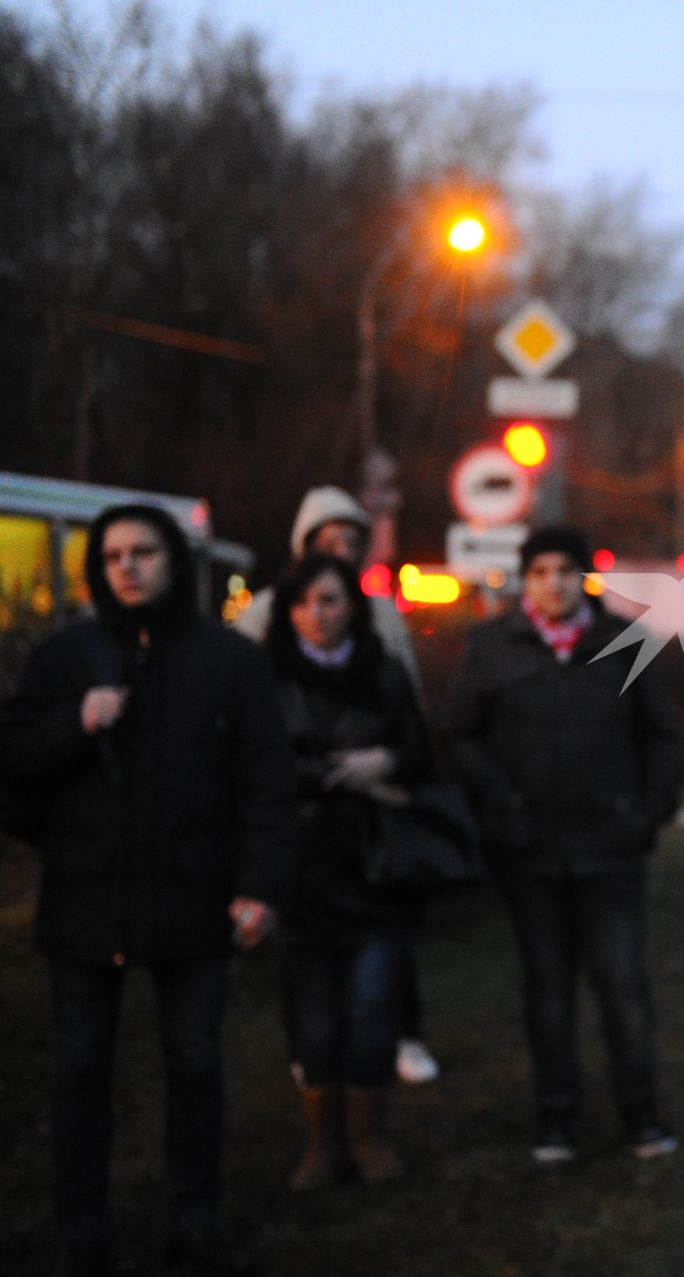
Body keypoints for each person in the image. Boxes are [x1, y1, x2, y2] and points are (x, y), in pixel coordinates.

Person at [0, 505, 295, 1277]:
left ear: (175, 561)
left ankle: (197, 1222)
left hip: (195, 893)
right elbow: (14, 762)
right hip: (86, 897)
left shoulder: (230, 659)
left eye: (145, 552)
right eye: (114, 555)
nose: (128, 566)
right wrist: (76, 722)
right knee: (78, 1067)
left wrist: (257, 885)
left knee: (194, 1060)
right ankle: (81, 1231)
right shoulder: (66, 657)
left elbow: (267, 782)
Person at [443, 526, 682, 1163]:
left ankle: (640, 1112)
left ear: (585, 576)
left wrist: (649, 812)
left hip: (611, 845)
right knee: (547, 987)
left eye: (567, 569)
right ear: (527, 577)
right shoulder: (492, 648)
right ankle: (557, 1116)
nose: (555, 582)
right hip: (530, 850)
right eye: (543, 570)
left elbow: (660, 734)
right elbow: (461, 734)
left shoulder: (624, 642)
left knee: (622, 983)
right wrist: (502, 803)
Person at [234, 485, 438, 1085]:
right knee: (308, 964)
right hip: (302, 832)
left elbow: (411, 715)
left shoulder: (380, 617)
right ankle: (314, 1063)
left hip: (374, 830)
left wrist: (396, 764)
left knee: (385, 953)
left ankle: (401, 1037)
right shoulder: (267, 616)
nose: (343, 550)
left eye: (353, 541)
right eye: (330, 541)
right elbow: (254, 728)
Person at [266, 554, 433, 1190]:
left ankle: (369, 1136)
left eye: (330, 600)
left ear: (352, 607)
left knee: (371, 1008)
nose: (318, 614)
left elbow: (421, 753)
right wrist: (332, 774)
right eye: (304, 601)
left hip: (373, 867)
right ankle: (322, 1143)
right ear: (288, 610)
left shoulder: (384, 674)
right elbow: (256, 762)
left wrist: (385, 759)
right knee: (313, 1015)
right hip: (302, 871)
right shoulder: (268, 676)